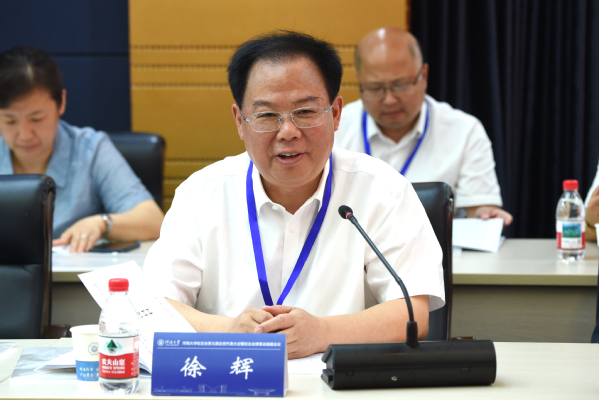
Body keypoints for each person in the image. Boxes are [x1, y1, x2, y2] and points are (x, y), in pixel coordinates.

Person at [144, 31, 444, 359]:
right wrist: (228, 330)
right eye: (267, 115)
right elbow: (154, 307)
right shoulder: (201, 195)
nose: (288, 132)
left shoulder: (383, 191)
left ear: (336, 114)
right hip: (234, 378)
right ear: (240, 122)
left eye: (305, 112)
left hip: (339, 381)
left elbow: (412, 312)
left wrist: (323, 333)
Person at [335, 27, 513, 225]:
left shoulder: (464, 132)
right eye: (375, 88)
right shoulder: (335, 130)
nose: (389, 99)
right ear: (360, 81)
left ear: (424, 75)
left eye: (400, 85)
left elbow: (478, 212)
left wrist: (485, 217)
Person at [0, 46, 164, 252]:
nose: (25, 134)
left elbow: (154, 221)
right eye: (10, 120)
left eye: (37, 119)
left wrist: (102, 224)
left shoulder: (91, 149)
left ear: (61, 102)